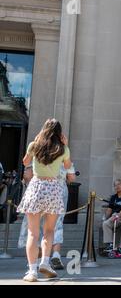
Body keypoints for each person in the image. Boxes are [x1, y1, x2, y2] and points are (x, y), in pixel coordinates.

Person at [17, 118, 71, 282]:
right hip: (53, 189)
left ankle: (32, 271)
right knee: (49, 231)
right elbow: (68, 167)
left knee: (32, 233)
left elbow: (25, 162)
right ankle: (45, 263)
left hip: (36, 187)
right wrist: (66, 145)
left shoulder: (34, 145)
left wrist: (33, 147)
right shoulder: (62, 149)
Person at [18, 164, 77, 270]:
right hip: (57, 189)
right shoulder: (63, 153)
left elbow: (27, 174)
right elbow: (71, 178)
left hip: (38, 188)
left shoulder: (37, 150)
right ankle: (54, 256)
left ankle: (33, 263)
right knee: (55, 226)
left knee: (33, 230)